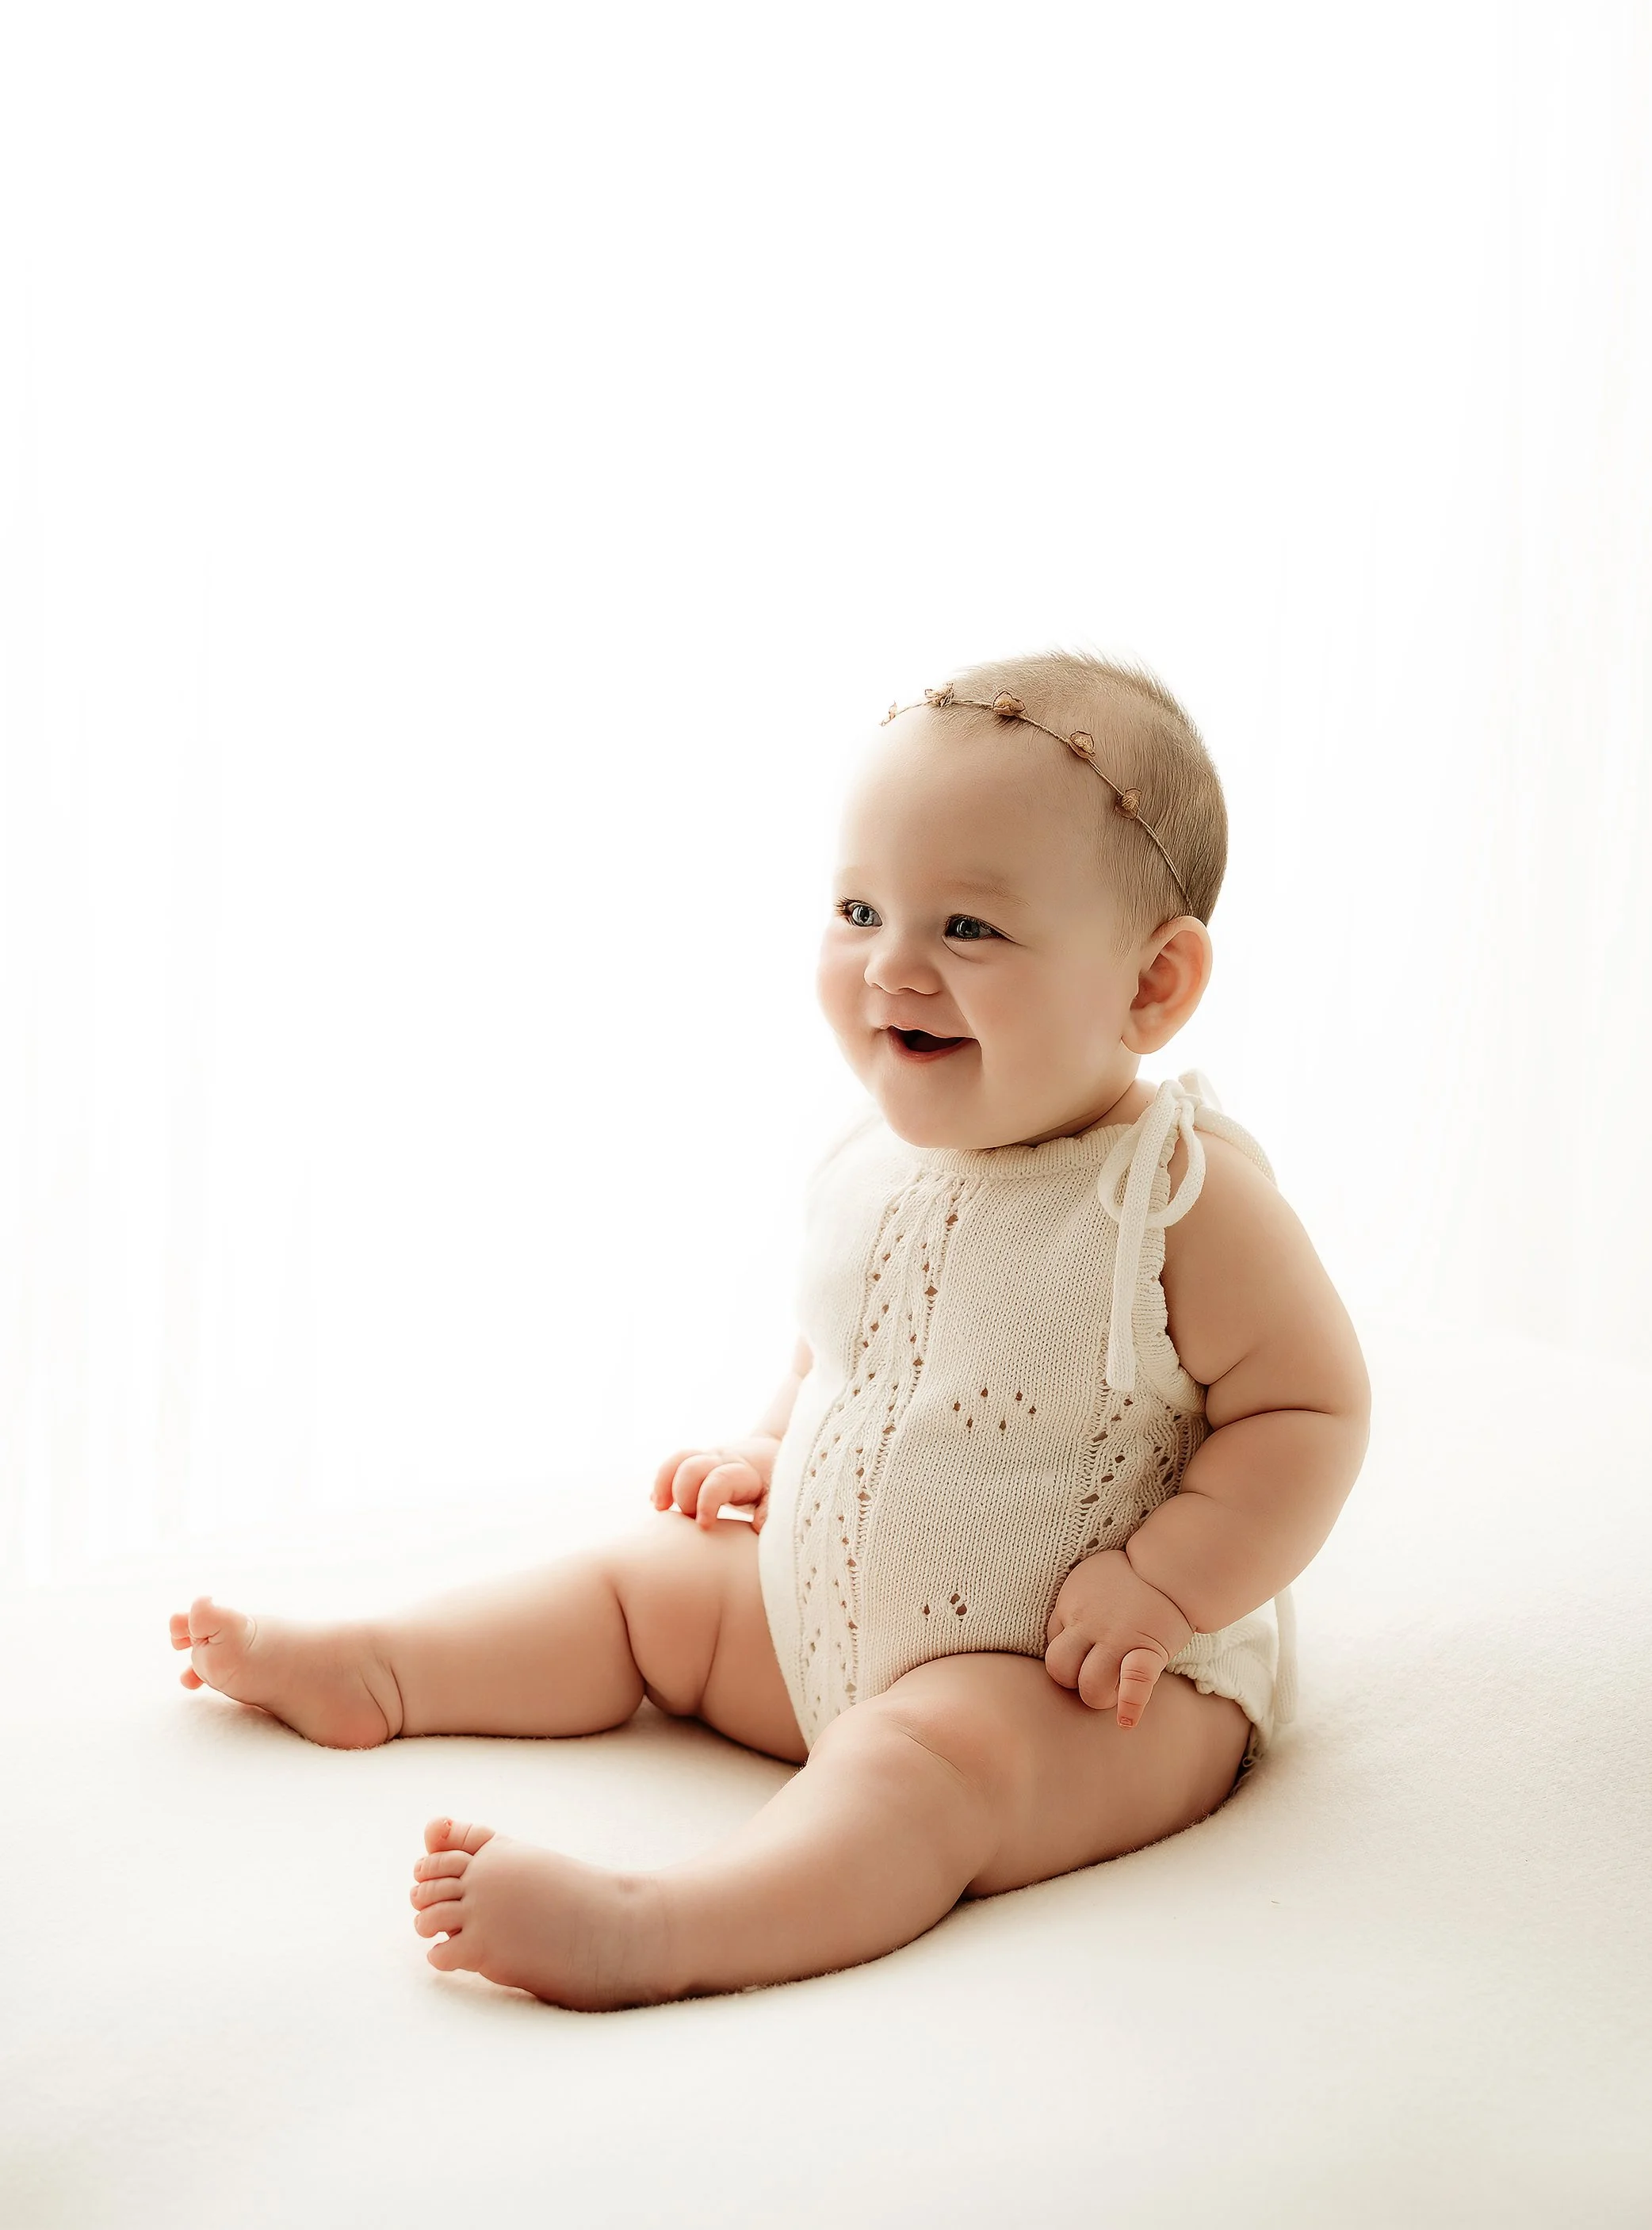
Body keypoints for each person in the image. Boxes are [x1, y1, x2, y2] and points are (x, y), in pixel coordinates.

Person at [168, 648, 1370, 2010]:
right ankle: (380, 1667)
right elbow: (848, 1346)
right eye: (861, 909)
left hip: (1076, 1684)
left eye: (967, 929)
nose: (892, 966)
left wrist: (1165, 1579)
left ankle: (660, 1925)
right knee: (646, 1581)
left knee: (928, 1769)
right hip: (826, 1626)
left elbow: (1310, 1408)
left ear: (1152, 985)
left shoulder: (1172, 1195)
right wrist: (769, 1444)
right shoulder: (875, 1148)